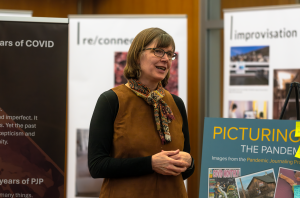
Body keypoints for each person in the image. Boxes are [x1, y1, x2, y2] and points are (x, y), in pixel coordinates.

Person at [88, 27, 194, 198]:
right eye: (158, 51)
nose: (166, 59)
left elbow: (186, 171)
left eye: (170, 54)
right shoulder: (111, 100)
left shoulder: (176, 103)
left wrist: (189, 163)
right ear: (137, 56)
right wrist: (150, 163)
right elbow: (97, 166)